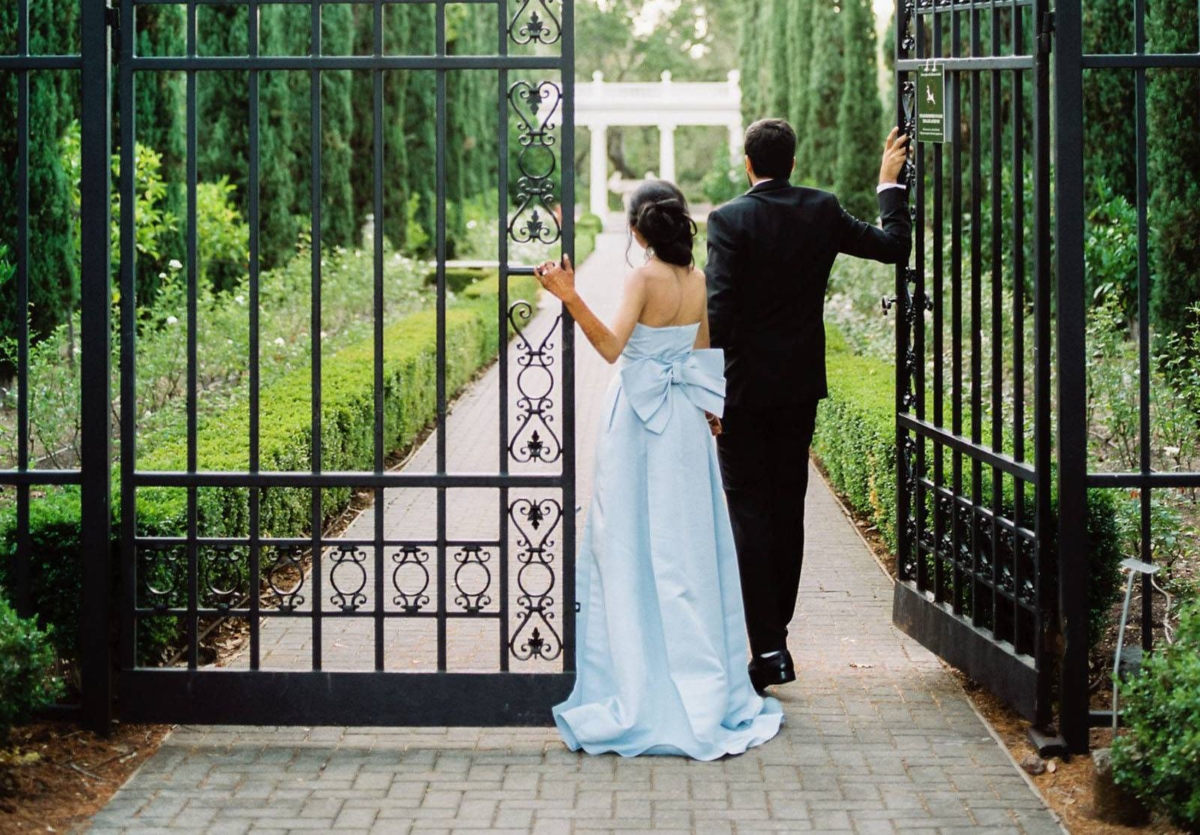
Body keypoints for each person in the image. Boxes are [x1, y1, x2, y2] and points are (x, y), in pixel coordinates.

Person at [534, 180, 784, 760]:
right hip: (683, 423)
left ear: (637, 230)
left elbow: (610, 348)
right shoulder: (695, 280)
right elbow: (702, 352)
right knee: (684, 545)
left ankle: (638, 679)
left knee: (627, 541)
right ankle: (698, 681)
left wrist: (569, 295)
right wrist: (711, 414)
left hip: (637, 422)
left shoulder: (642, 276)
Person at [706, 119, 912, 692]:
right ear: (792, 162)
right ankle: (777, 636)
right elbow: (895, 246)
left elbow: (718, 319)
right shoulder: (821, 209)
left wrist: (698, 388)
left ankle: (770, 647)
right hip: (798, 388)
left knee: (749, 513)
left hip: (741, 393)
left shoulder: (727, 219)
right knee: (787, 508)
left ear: (748, 164)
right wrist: (888, 185)